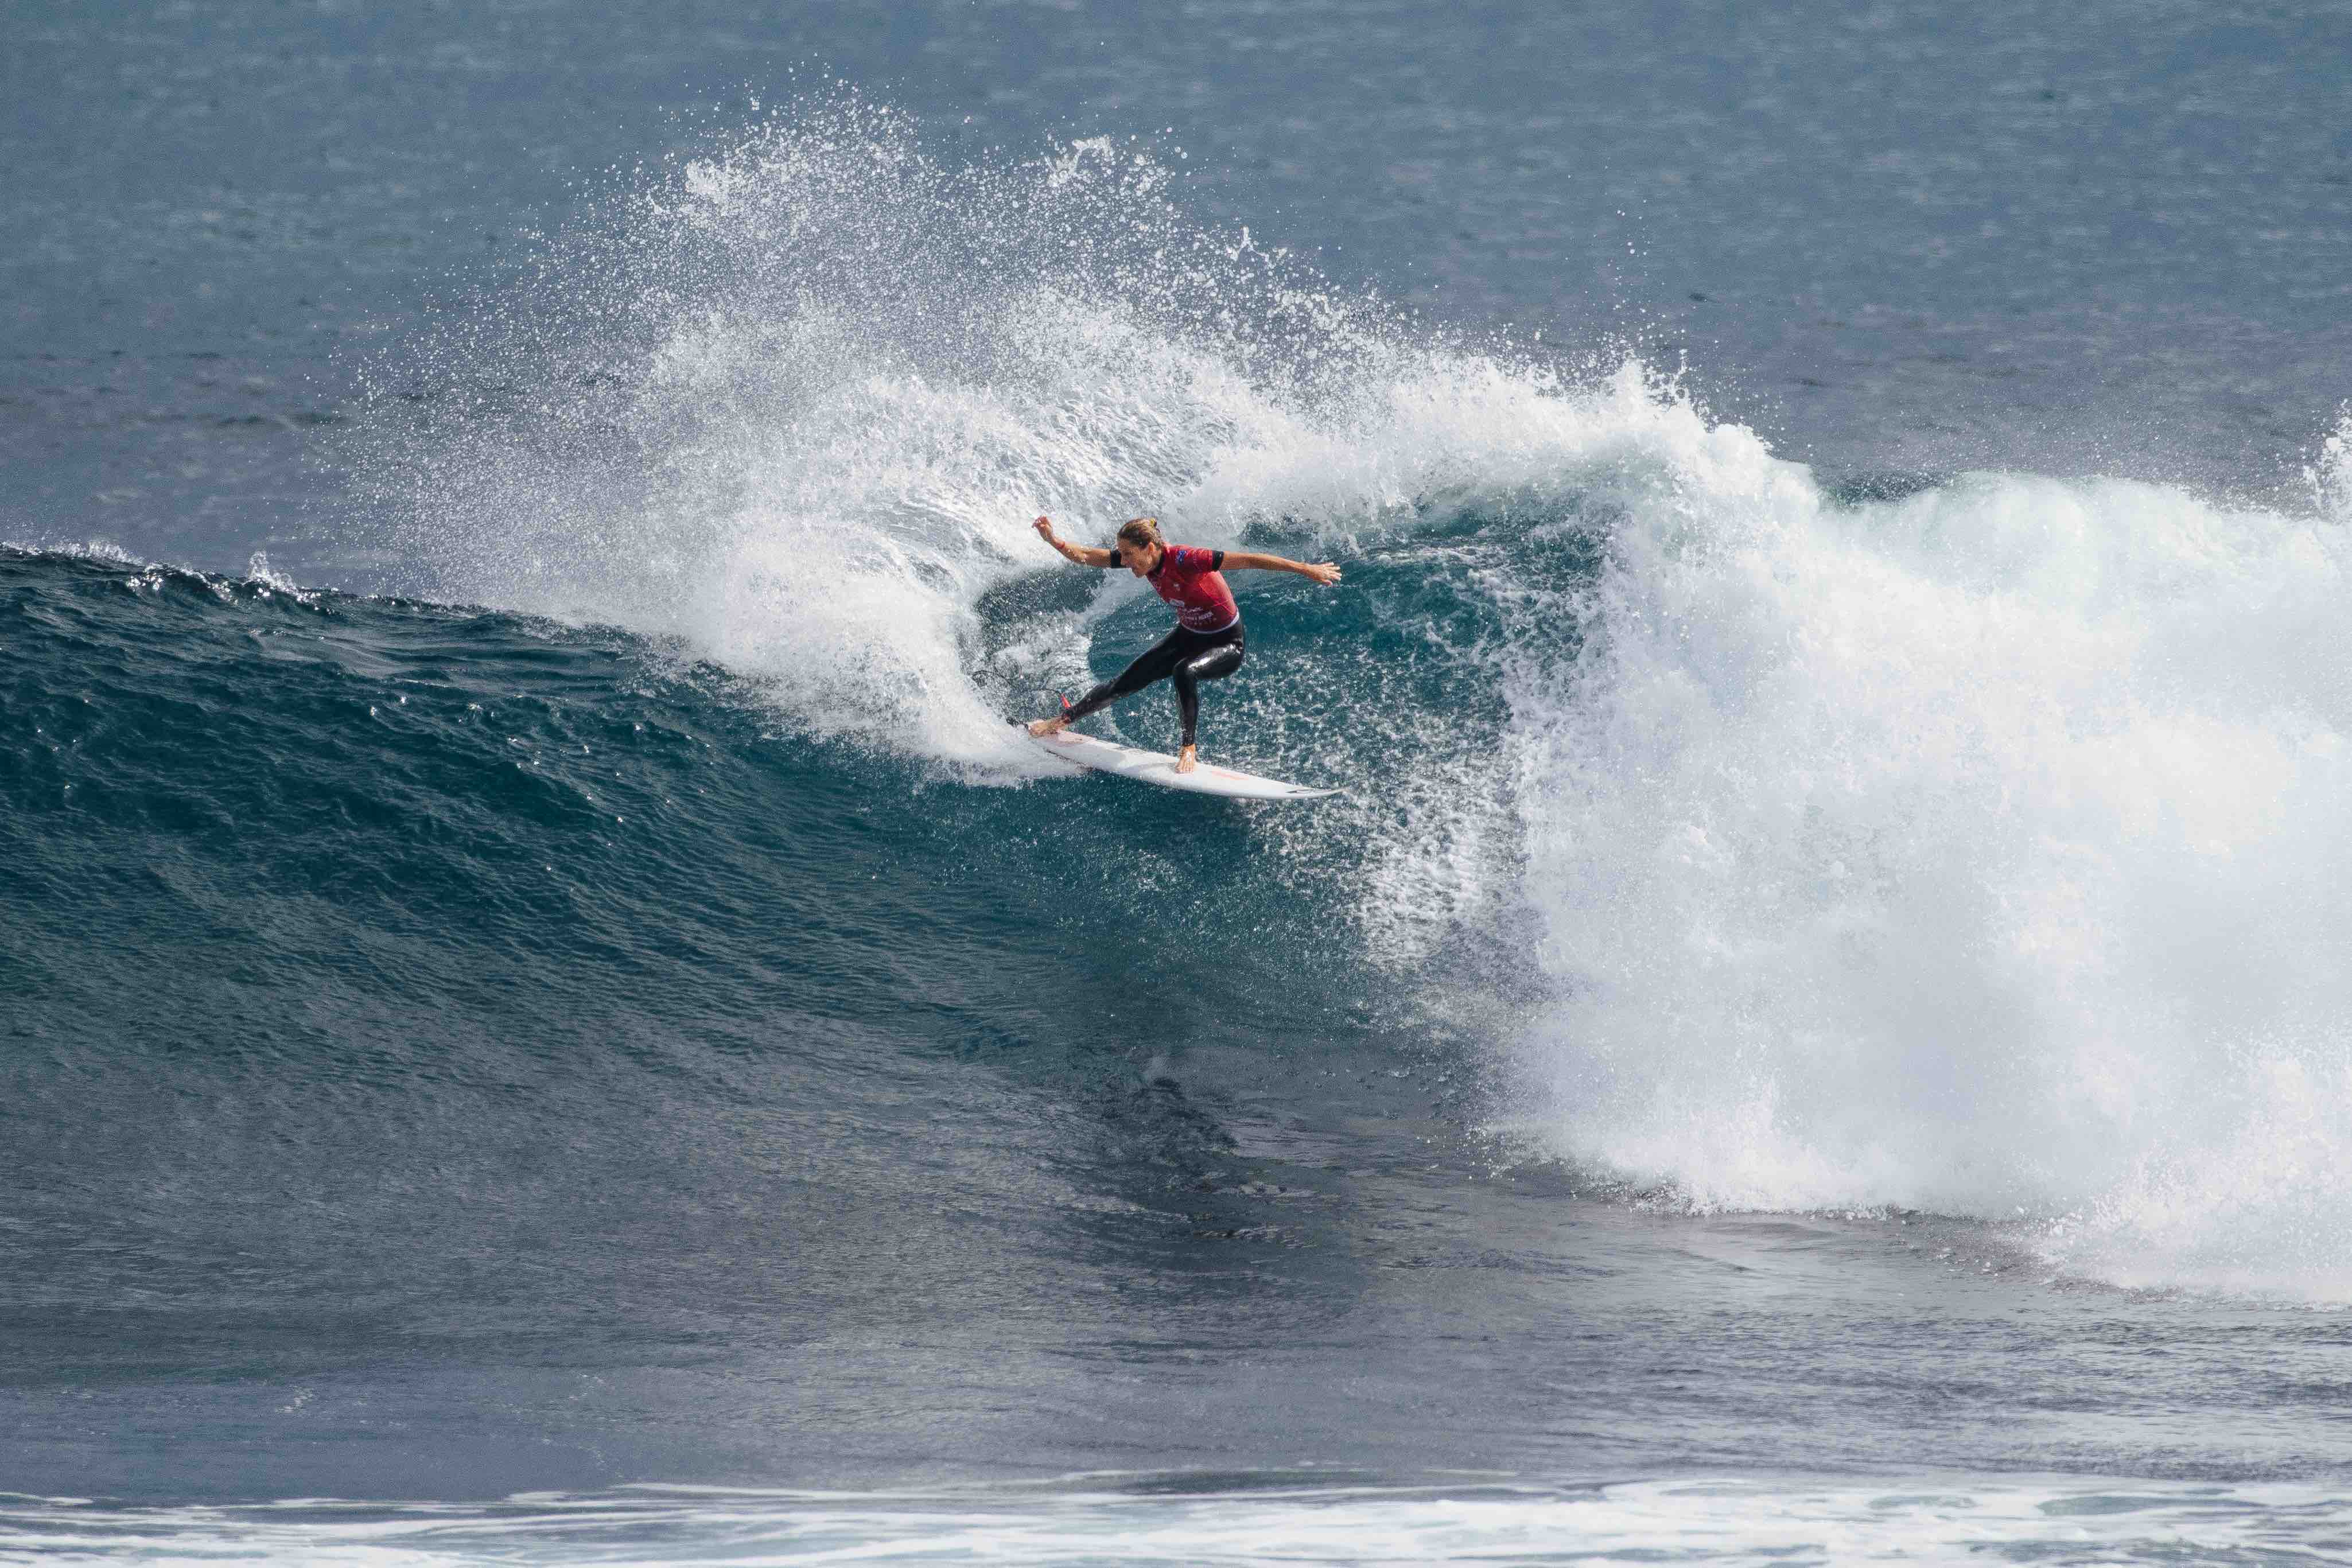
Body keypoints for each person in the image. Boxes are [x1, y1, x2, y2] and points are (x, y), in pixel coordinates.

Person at [1025, 515, 1342, 772]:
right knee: (1123, 684)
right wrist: (1054, 541)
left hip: (1227, 643)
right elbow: (1086, 556)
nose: (1125, 561)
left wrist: (1306, 569)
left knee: (1184, 671)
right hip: (1189, 636)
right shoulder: (1146, 560)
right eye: (1122, 554)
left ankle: (1189, 747)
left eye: (1129, 555)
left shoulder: (1187, 559)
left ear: (1150, 548)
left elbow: (1248, 559)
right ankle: (1061, 721)